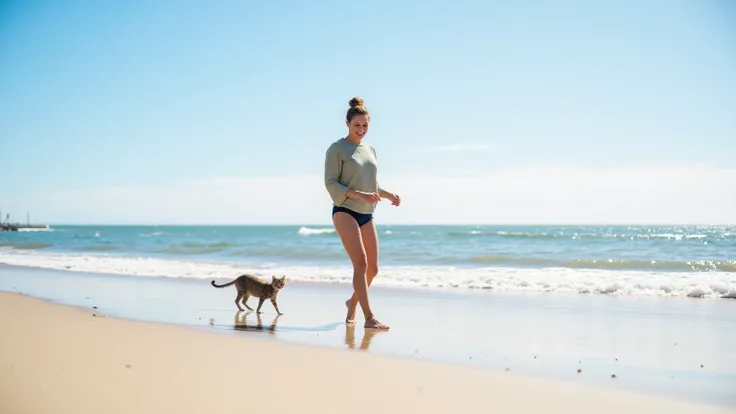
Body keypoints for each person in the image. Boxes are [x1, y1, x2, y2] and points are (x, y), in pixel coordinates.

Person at [324, 96, 401, 330]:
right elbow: (331, 183)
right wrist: (358, 194)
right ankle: (369, 317)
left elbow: (372, 186)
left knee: (374, 269)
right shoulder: (337, 149)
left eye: (365, 125)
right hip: (345, 210)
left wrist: (388, 195)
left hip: (367, 212)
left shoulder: (371, 150)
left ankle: (352, 302)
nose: (361, 130)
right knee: (361, 263)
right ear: (347, 124)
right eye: (357, 125)